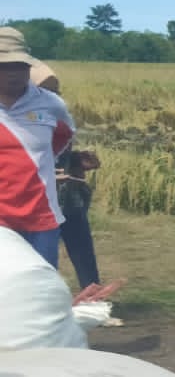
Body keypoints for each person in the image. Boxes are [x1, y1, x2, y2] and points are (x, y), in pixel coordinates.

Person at [0, 27, 75, 266]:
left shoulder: (51, 103)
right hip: (2, 221)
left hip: (42, 218)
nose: (14, 74)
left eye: (20, 66)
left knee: (41, 290)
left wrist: (39, 164)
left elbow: (65, 136)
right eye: (6, 67)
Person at [31, 63, 106, 295]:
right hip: (34, 202)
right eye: (45, 91)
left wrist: (76, 160)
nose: (52, 97)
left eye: (55, 92)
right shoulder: (17, 121)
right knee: (35, 259)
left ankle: (93, 302)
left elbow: (55, 153)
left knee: (82, 250)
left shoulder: (55, 114)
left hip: (68, 198)